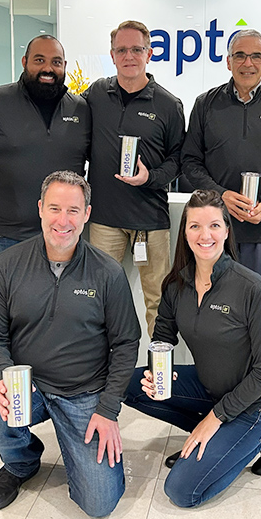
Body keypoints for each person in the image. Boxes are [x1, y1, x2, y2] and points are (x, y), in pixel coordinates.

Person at [0, 171, 141, 516]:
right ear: (40, 210)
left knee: (99, 504)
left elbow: (126, 344)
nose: (63, 220)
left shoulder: (107, 273)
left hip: (83, 391)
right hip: (25, 385)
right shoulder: (7, 265)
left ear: (87, 214)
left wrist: (107, 410)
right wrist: (1, 377)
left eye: (73, 211)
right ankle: (22, 462)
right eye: (54, 208)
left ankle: (80, 450)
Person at [123, 189, 261, 508]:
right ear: (184, 232)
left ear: (227, 231)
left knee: (182, 491)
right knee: (127, 385)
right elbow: (162, 337)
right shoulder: (176, 285)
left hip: (253, 405)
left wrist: (215, 417)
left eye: (214, 225)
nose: (205, 235)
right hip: (207, 387)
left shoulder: (251, 288)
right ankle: (216, 435)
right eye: (195, 226)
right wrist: (155, 371)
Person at [0, 35, 90, 277]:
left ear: (64, 66)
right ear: (25, 61)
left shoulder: (80, 109)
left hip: (63, 234)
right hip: (7, 235)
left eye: (56, 62)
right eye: (39, 60)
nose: (48, 68)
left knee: (62, 312)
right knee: (2, 310)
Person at [182, 29, 261, 290]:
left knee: (256, 307)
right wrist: (221, 195)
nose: (247, 63)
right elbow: (190, 162)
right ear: (228, 62)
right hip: (214, 228)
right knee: (211, 303)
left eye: (255, 56)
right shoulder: (205, 104)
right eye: (239, 55)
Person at [84, 20, 185, 336]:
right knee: (97, 298)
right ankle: (99, 371)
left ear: (149, 53)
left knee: (158, 301)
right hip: (104, 218)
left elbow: (179, 160)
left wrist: (150, 177)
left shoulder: (168, 105)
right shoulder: (95, 95)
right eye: (122, 50)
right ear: (112, 55)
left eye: (136, 49)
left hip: (150, 222)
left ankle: (159, 375)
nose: (129, 56)